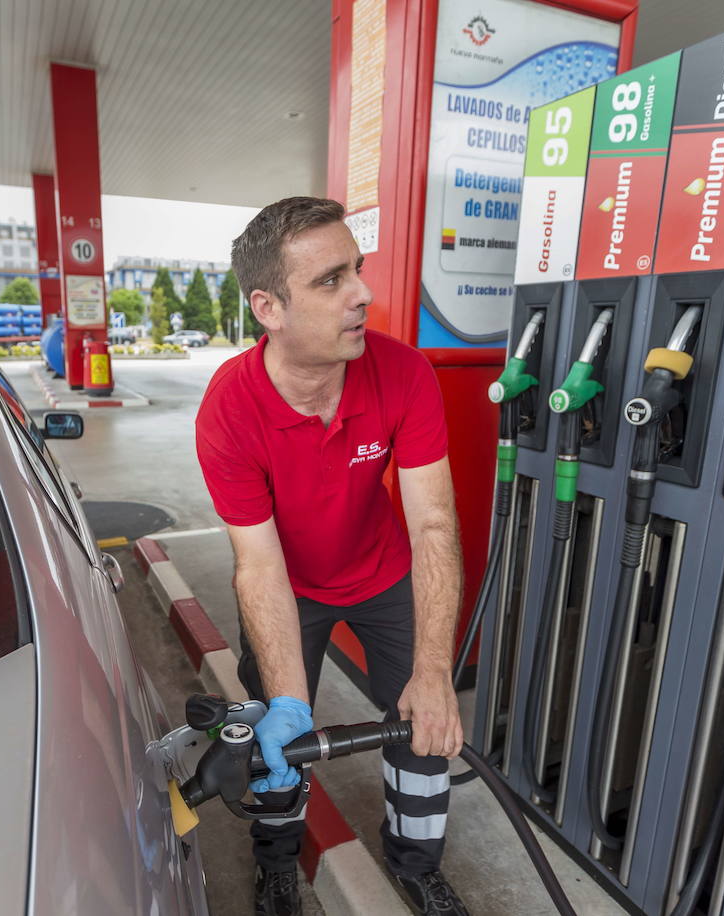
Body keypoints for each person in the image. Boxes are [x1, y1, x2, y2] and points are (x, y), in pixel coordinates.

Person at [195, 197, 467, 916]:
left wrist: (435, 672)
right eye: (330, 280)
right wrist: (288, 700)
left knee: (424, 724)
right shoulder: (229, 409)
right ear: (268, 307)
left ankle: (415, 863)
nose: (362, 294)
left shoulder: (403, 373)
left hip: (383, 574)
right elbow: (258, 565)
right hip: (290, 585)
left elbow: (434, 523)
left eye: (359, 270)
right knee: (276, 735)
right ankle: (277, 862)